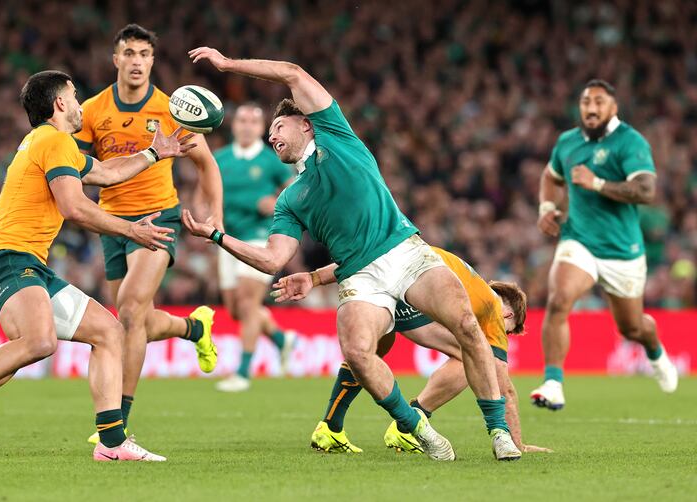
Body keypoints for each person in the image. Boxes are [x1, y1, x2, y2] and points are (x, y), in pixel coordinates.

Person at [183, 47, 522, 461]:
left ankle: (498, 431)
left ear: (306, 124)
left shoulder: (336, 133)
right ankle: (415, 426)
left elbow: (292, 71)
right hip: (359, 278)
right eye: (269, 133)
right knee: (359, 352)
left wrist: (228, 65)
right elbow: (273, 260)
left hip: (405, 251)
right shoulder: (290, 200)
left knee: (467, 325)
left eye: (278, 126)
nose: (272, 137)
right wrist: (219, 236)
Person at [0, 70, 196, 461]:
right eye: (75, 96)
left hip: (29, 264)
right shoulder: (55, 140)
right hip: (8, 259)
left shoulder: (51, 144)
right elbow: (74, 207)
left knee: (108, 332)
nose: (80, 105)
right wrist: (132, 230)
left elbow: (109, 173)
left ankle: (112, 443)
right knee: (39, 341)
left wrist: (153, 153)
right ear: (60, 103)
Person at [73, 25, 223, 443]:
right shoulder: (93, 109)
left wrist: (216, 218)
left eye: (144, 54)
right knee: (133, 320)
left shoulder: (175, 110)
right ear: (115, 58)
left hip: (159, 219)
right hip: (113, 225)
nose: (137, 60)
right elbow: (78, 164)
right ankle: (194, 328)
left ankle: (117, 421)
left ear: (153, 61)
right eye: (129, 53)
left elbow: (207, 167)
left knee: (130, 309)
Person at [271, 253, 550, 455]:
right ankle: (411, 424)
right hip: (410, 290)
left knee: (370, 350)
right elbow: (506, 390)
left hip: (384, 279)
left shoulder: (467, 279)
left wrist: (316, 278)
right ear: (510, 314)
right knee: (476, 355)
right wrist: (519, 443)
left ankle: (330, 427)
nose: (505, 334)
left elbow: (373, 255)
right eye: (511, 330)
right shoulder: (492, 310)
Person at [533, 79, 679, 410]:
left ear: (613, 108)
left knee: (631, 327)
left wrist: (597, 183)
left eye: (599, 101)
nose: (591, 107)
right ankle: (553, 382)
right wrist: (546, 208)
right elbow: (550, 177)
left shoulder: (630, 142)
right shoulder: (567, 142)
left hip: (622, 250)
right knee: (558, 300)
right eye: (586, 101)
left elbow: (645, 191)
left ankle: (655, 349)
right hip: (579, 240)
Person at [213, 103, 296, 392]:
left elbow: (297, 189)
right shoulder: (219, 159)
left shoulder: (271, 160)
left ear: (262, 129)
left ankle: (243, 372)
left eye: (254, 121)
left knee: (248, 303)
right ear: (234, 125)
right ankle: (282, 340)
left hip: (260, 236)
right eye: (242, 120)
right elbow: (204, 192)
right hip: (226, 238)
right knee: (237, 310)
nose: (247, 125)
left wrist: (278, 205)